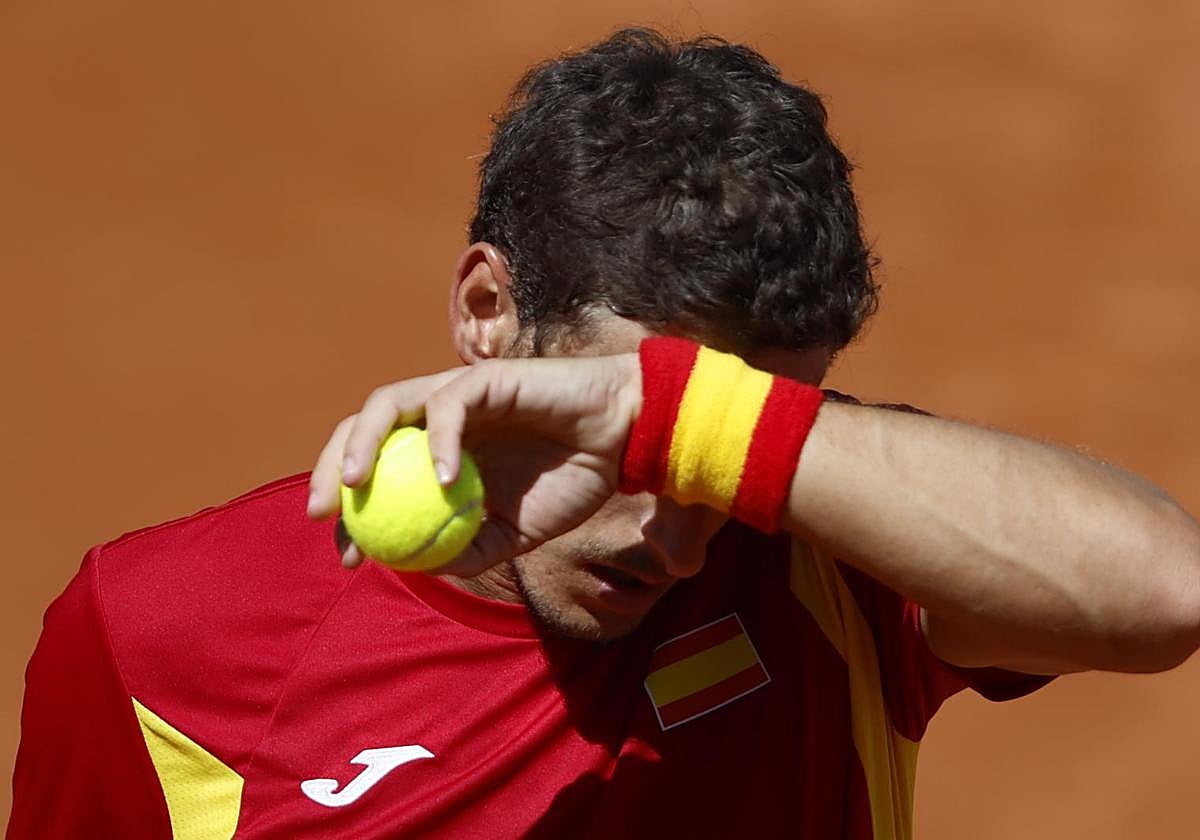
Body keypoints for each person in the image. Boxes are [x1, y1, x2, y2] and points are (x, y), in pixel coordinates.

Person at [10, 28, 1200, 840]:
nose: (679, 541)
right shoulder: (157, 641)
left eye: (712, 449)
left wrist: (675, 418)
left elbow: (1166, 590)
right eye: (628, 446)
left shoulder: (822, 537)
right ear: (489, 309)